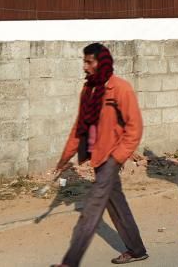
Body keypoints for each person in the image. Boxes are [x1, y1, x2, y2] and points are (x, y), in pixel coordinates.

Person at [52, 43, 148, 266]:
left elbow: (135, 128)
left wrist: (118, 157)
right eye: (84, 61)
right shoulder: (89, 90)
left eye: (89, 62)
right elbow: (79, 128)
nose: (85, 67)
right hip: (97, 156)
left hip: (111, 158)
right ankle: (137, 249)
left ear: (101, 62)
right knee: (116, 204)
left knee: (92, 209)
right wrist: (64, 159)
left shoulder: (121, 89)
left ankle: (70, 261)